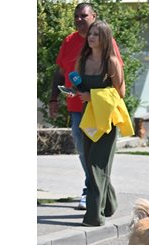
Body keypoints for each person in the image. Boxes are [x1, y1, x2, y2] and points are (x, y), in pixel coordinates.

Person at [49, 3, 123, 210]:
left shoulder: (107, 42)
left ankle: (91, 193)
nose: (79, 19)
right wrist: (53, 98)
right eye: (76, 16)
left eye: (84, 15)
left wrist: (96, 97)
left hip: (101, 111)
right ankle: (99, 194)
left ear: (94, 16)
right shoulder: (69, 41)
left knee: (97, 157)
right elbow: (60, 72)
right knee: (84, 153)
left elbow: (118, 82)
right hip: (77, 108)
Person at [75, 20, 127, 227]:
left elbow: (120, 93)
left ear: (105, 38)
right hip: (89, 118)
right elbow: (83, 89)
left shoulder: (112, 62)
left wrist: (92, 96)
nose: (91, 37)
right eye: (90, 33)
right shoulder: (83, 60)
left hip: (107, 120)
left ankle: (94, 217)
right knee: (93, 166)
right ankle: (110, 204)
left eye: (96, 34)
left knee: (97, 166)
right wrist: (77, 94)